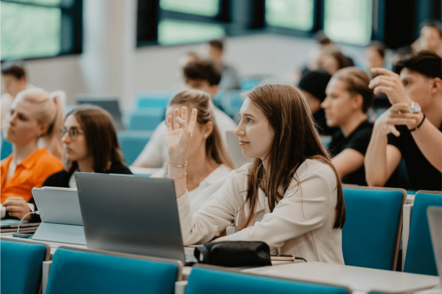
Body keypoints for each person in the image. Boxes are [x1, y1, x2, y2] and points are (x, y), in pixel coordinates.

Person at [166, 84, 346, 263]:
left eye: (249, 120)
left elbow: (263, 235)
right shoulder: (243, 177)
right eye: (240, 119)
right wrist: (177, 162)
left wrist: (206, 249)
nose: (238, 130)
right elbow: (186, 232)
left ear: (281, 127)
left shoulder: (317, 176)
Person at [6, 105, 133, 221]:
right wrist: (28, 210)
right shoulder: (57, 180)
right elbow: (35, 208)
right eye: (65, 131)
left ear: (96, 137)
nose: (64, 139)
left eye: (74, 132)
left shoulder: (122, 179)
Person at [133, 59, 237, 168]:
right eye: (186, 83)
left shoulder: (226, 127)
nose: (189, 89)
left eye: (197, 85)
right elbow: (140, 167)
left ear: (214, 90)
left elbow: (232, 173)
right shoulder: (166, 126)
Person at [366, 51, 442, 190]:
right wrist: (378, 129)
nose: (399, 91)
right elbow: (375, 180)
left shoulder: (412, 117)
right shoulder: (404, 123)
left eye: (407, 82)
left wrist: (410, 109)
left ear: (435, 86)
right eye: (399, 84)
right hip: (423, 209)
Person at [151, 90, 234, 212]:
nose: (173, 135)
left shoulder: (227, 183)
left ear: (206, 129)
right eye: (169, 126)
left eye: (181, 126)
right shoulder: (156, 181)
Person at [1, 88, 64, 218]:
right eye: (11, 112)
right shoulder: (3, 165)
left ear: (42, 128)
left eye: (22, 118)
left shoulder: (47, 165)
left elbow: (53, 214)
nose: (11, 120)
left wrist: (31, 212)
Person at [322, 67, 374, 186]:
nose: (324, 104)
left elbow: (324, 173)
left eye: (334, 97)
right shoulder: (339, 136)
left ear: (356, 101)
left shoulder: (369, 134)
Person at [298, 70, 336, 136]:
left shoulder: (330, 126)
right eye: (300, 99)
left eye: (308, 100)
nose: (303, 104)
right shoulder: (302, 120)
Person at [1, 63, 34, 129]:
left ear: (22, 80)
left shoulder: (35, 99)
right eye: (4, 84)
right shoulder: (5, 99)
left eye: (9, 83)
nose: (6, 88)